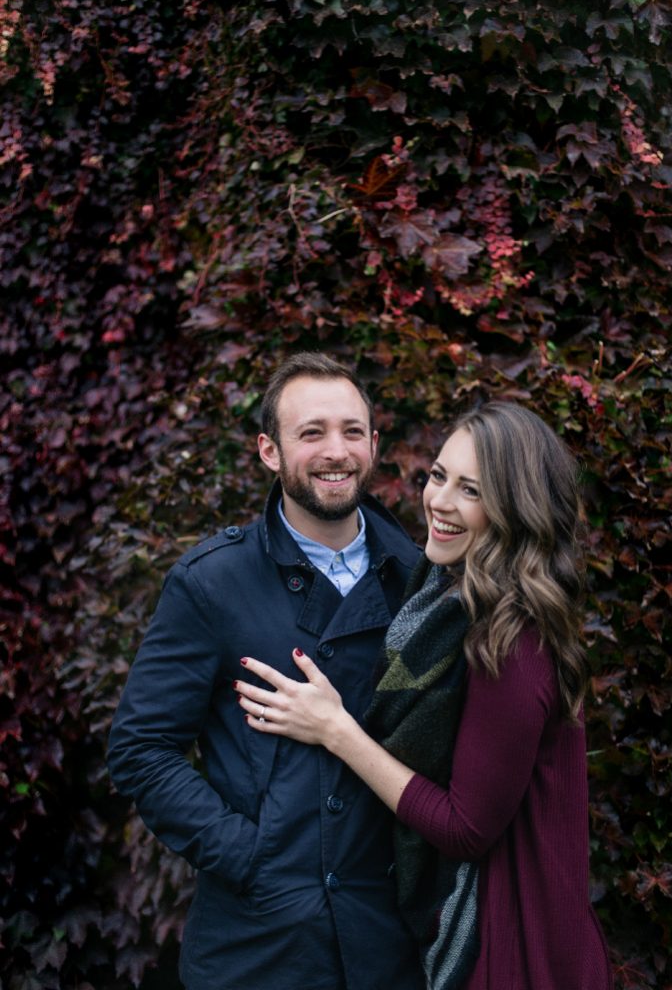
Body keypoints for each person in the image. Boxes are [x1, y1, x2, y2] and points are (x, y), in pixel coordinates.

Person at [235, 402, 614, 990]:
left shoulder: (512, 642)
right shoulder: (451, 604)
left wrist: (337, 732)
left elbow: (466, 827)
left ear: (516, 510)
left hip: (515, 950)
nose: (439, 502)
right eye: (439, 476)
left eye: (472, 491)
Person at [107, 352, 425, 990]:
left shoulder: (419, 577)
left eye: (352, 431)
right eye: (311, 433)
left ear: (374, 445)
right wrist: (250, 858)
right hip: (258, 945)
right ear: (269, 451)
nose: (336, 451)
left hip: (388, 941)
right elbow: (141, 749)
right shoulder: (212, 583)